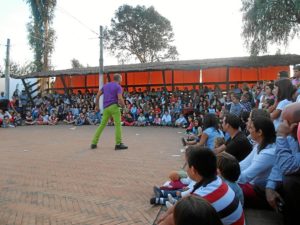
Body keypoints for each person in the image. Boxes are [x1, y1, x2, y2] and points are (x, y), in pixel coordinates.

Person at [158, 146, 245, 225]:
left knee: (172, 220)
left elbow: (172, 219)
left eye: (187, 164)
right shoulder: (216, 181)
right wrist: (166, 213)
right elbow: (185, 198)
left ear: (193, 170)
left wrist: (164, 218)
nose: (186, 168)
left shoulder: (203, 196)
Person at [265, 102, 300, 225]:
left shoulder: (285, 135)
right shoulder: (291, 137)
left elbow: (287, 167)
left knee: (290, 181)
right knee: (262, 186)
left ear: (296, 125)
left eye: (286, 121)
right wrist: (270, 187)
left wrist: (280, 136)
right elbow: (278, 162)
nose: (281, 125)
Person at [238, 116, 276, 208]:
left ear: (260, 132)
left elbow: (245, 177)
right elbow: (243, 164)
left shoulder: (268, 153)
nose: (248, 129)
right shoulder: (260, 145)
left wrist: (224, 176)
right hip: (251, 185)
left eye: (251, 128)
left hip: (258, 191)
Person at [90, 73, 128, 150]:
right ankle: (118, 144)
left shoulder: (106, 85)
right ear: (119, 79)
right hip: (114, 107)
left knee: (102, 125)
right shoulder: (118, 87)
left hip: (106, 108)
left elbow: (97, 96)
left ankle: (94, 143)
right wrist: (124, 107)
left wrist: (97, 106)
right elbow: (120, 99)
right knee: (117, 125)